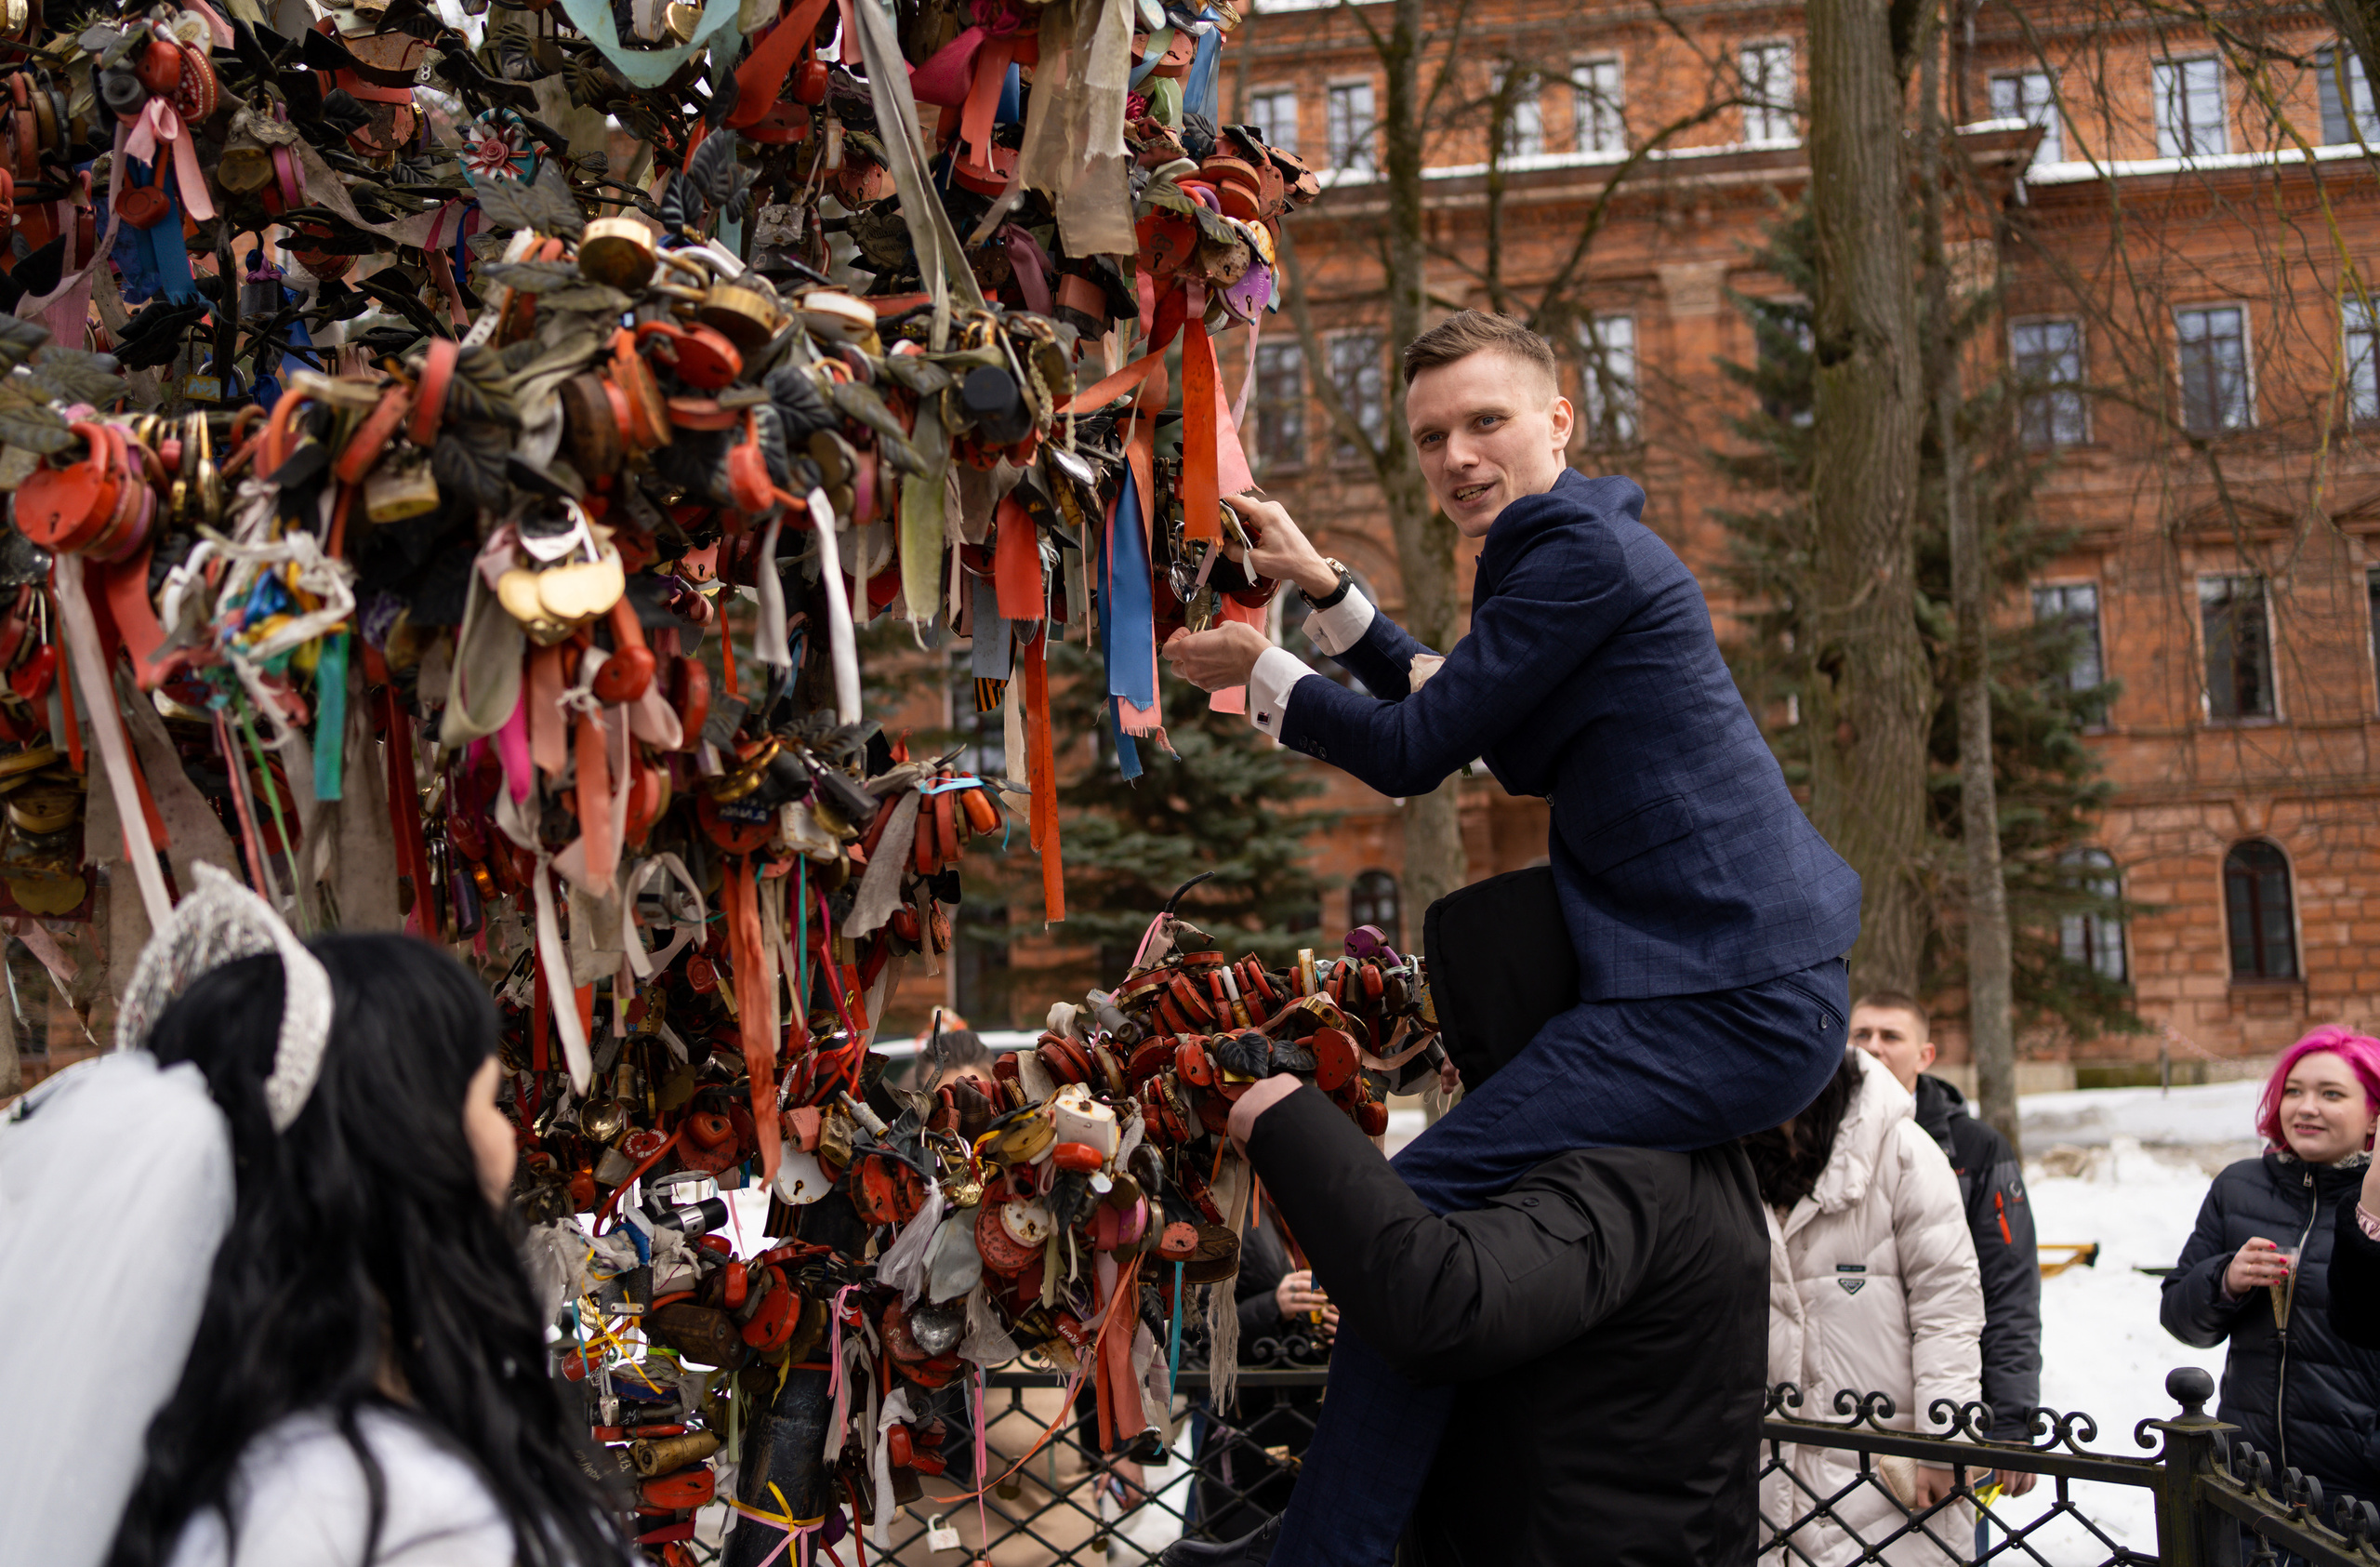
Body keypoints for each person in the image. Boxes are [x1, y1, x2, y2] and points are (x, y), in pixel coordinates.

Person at [1158, 310, 1861, 1566]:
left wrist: (1258, 675)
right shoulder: (1576, 550)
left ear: (1560, 420)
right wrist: (1326, 590)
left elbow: (1420, 751)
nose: (1457, 457)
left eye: (1486, 422)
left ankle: (1334, 1549)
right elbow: (1474, 715)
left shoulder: (1570, 549)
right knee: (1460, 1227)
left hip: (1726, 996)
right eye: (1431, 436)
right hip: (1719, 989)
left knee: (1414, 1210)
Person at [0, 865, 625, 1567]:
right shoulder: (380, 1508)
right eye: (489, 1100)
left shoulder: (263, 1465)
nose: (509, 1142)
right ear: (405, 1147)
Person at [1210, 1067, 1773, 1566]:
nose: (1447, 1065)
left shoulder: (1625, 1165)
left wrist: (1287, 1121)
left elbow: (1445, 1302)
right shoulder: (1652, 1140)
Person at [1747, 1047, 1985, 1565]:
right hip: (1763, 1477)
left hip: (1882, 1479)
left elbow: (1948, 1305)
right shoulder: (1732, 1154)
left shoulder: (1903, 1152)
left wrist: (1946, 1444)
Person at [2162, 1027, 2380, 1510]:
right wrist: (2224, 1280)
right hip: (2246, 1476)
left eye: (2332, 1094)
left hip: (2356, 1491)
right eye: (2294, 1091)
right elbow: (2180, 1318)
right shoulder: (2239, 1186)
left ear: (2374, 1113)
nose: (2305, 1107)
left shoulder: (2376, 1204)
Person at [1848, 992, 2043, 1483]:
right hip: (1844, 1404)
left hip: (1950, 1402)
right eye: (1861, 1035)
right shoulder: (1815, 1137)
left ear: (1925, 1055)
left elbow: (2009, 1288)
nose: (1874, 1048)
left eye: (1891, 1036)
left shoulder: (1976, 1148)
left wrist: (2012, 1422)